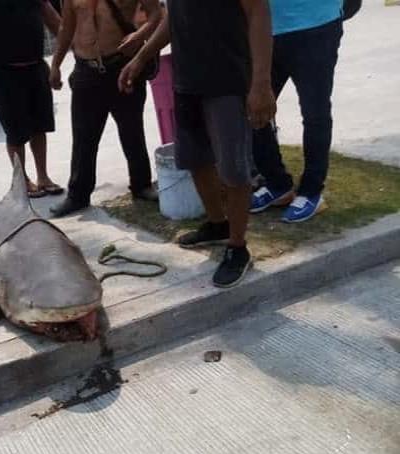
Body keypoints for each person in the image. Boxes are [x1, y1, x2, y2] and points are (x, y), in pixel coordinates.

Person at [119, 0, 276, 288]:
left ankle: (238, 246)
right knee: (195, 159)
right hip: (188, 80)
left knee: (233, 169)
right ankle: (217, 223)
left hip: (228, 80)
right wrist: (142, 56)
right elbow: (175, 18)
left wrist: (262, 82)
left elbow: (258, 11)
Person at [48, 0, 162, 218]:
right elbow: (66, 27)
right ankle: (78, 195)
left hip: (122, 66)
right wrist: (55, 65)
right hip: (86, 70)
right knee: (83, 137)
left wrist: (139, 36)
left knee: (132, 130)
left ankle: (141, 185)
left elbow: (157, 15)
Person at [251, 0, 344, 223]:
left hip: (316, 25)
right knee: (252, 108)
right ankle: (277, 184)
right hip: (263, 29)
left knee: (314, 112)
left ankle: (311, 191)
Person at [0, 0, 64, 197]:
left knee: (39, 125)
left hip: (34, 64)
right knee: (16, 130)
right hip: (1, 70)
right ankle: (22, 180)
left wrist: (73, 43)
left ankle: (43, 176)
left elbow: (51, 17)